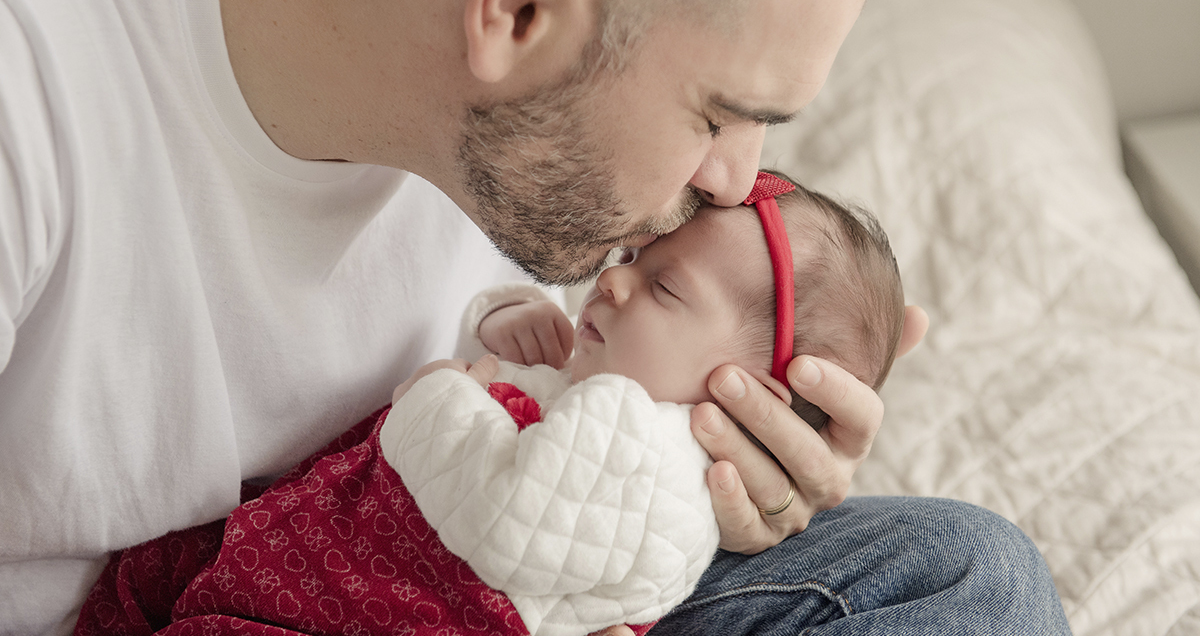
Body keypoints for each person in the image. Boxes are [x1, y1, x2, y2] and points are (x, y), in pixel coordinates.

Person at [0, 0, 1070, 632]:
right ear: (521, 9)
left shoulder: (529, 147)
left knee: (968, 575)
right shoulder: (33, 72)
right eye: (716, 112)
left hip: (472, 575)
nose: (737, 181)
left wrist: (703, 490)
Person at [74, 174, 909, 636]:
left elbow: (507, 507)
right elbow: (514, 342)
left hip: (378, 595)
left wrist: (448, 391)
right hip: (334, 537)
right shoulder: (606, 383)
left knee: (966, 555)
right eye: (628, 257)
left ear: (754, 395)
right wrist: (508, 328)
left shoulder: (634, 438)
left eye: (662, 286)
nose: (608, 281)